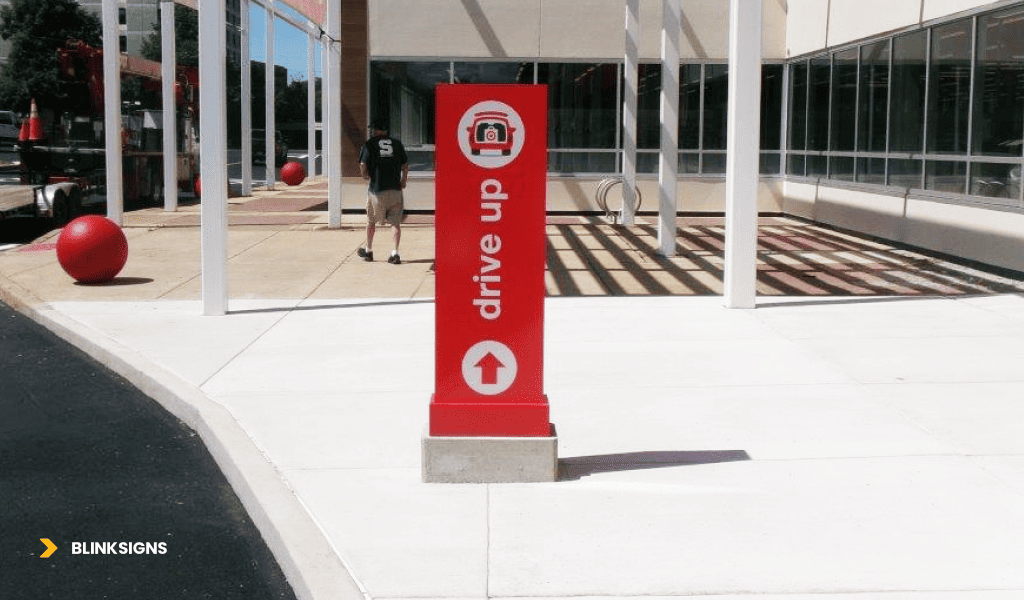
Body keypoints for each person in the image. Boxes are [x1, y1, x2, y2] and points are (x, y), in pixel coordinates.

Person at [358, 117, 408, 264]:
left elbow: (362, 164)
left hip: (376, 190)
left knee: (371, 222)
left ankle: (368, 251)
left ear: (375, 130)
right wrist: (403, 180)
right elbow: (405, 165)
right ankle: (395, 253)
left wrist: (365, 175)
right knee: (395, 223)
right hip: (395, 189)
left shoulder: (369, 144)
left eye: (373, 129)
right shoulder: (397, 144)